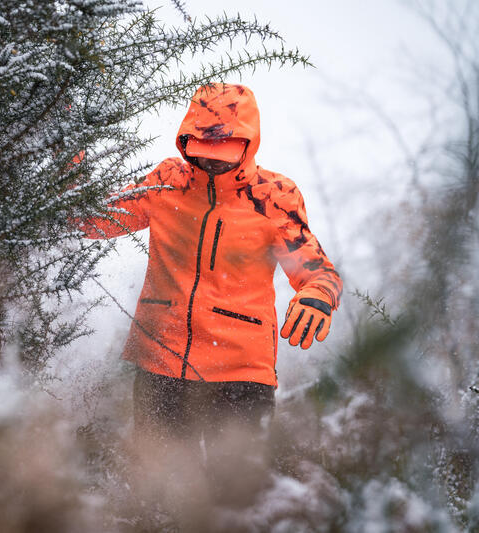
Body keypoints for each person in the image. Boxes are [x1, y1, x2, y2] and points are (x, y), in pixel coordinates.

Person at [73, 83, 343, 509]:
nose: (207, 161)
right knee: (158, 491)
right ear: (185, 138)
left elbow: (317, 270)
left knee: (235, 498)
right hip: (159, 361)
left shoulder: (273, 197)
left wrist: (317, 297)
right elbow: (93, 220)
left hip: (240, 375)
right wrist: (71, 149)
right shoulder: (167, 181)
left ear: (248, 142)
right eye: (198, 149)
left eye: (221, 152)